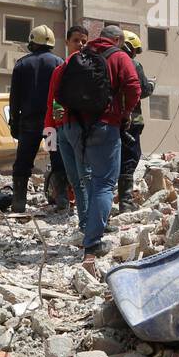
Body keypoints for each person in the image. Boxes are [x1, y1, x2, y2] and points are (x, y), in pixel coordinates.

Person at [45, 24, 141, 259]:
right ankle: (93, 241)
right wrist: (125, 112)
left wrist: (51, 135)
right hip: (105, 125)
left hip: (73, 127)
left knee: (81, 179)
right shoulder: (118, 56)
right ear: (117, 40)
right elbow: (134, 87)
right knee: (103, 183)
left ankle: (86, 226)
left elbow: (55, 97)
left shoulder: (77, 60)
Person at [8, 25, 61, 214]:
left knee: (23, 162)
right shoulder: (58, 63)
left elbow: (14, 98)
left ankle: (19, 202)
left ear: (32, 42)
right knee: (56, 158)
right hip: (51, 125)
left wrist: (13, 121)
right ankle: (61, 199)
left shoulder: (22, 64)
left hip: (28, 124)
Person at [44, 24, 89, 207]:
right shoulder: (60, 70)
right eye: (76, 40)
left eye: (84, 41)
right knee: (64, 168)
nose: (80, 45)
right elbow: (51, 102)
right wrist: (49, 133)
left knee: (82, 174)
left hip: (75, 127)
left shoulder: (89, 68)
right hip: (61, 127)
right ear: (68, 42)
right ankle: (65, 201)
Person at [116, 30, 154, 212]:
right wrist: (151, 85)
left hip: (110, 121)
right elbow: (143, 90)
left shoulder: (107, 62)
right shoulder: (134, 65)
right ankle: (125, 202)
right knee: (130, 158)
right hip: (132, 121)